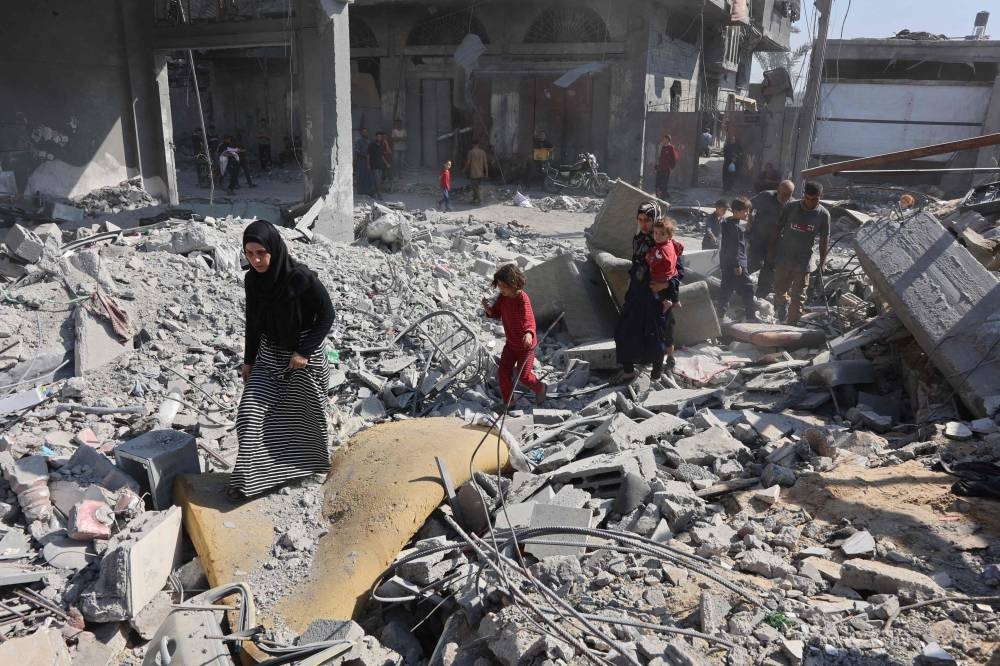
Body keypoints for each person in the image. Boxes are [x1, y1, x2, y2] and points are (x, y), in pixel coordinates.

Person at [229, 220, 335, 500]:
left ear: (274, 249)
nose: (256, 260)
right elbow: (253, 322)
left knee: (303, 417)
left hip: (302, 359)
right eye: (249, 254)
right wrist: (248, 360)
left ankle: (303, 468)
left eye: (261, 253)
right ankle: (250, 482)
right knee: (249, 415)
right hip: (269, 356)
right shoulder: (252, 280)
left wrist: (304, 352)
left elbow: (327, 315)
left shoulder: (301, 278)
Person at [614, 202, 685, 383]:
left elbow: (678, 271)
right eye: (640, 220)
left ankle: (656, 374)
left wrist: (667, 285)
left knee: (655, 336)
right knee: (624, 331)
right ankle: (629, 370)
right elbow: (636, 263)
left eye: (647, 220)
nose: (644, 224)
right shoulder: (639, 239)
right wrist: (631, 278)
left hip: (654, 298)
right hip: (637, 295)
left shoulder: (666, 243)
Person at [482, 264, 546, 408]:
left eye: (504, 286)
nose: (501, 289)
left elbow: (529, 318)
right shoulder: (503, 298)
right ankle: (509, 402)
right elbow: (497, 313)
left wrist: (529, 334)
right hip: (511, 345)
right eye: (499, 286)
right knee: (503, 372)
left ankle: (540, 388)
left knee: (523, 376)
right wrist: (488, 310)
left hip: (526, 346)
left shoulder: (522, 299)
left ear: (514, 284)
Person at [767, 181, 831, 325]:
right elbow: (777, 229)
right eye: (807, 198)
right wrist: (771, 250)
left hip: (803, 261)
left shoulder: (823, 215)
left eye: (814, 199)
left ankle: (792, 324)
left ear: (821, 196)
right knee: (779, 289)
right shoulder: (790, 207)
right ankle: (783, 304)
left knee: (798, 296)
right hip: (784, 257)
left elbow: (824, 239)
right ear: (803, 195)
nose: (809, 202)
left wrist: (823, 261)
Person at [645, 217, 684, 379]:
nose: (657, 236)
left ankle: (666, 363)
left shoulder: (666, 249)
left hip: (662, 292)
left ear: (669, 235)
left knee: (666, 331)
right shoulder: (656, 246)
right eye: (655, 233)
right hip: (655, 297)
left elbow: (678, 273)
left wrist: (665, 285)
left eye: (661, 234)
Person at [749, 180, 795, 297]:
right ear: (778, 191)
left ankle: (761, 295)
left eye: (789, 195)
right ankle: (736, 284)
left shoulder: (792, 204)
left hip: (775, 242)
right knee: (754, 263)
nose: (786, 198)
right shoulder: (766, 196)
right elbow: (748, 205)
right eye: (783, 194)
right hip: (758, 238)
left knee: (769, 268)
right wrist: (749, 221)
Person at [716, 197, 759, 323]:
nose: (747, 214)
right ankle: (751, 317)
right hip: (736, 264)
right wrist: (737, 265)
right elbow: (733, 248)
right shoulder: (734, 228)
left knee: (726, 288)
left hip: (727, 263)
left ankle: (719, 315)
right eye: (745, 211)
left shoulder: (728, 223)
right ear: (736, 211)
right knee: (747, 288)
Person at [655, 134, 679, 200]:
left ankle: (663, 198)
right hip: (660, 168)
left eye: (665, 139)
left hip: (666, 169)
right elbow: (658, 157)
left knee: (664, 183)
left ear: (668, 140)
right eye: (663, 139)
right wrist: (656, 166)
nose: (663, 140)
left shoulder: (670, 147)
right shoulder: (661, 147)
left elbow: (674, 158)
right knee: (658, 183)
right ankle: (662, 195)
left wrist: (672, 167)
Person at [465, 139, 489, 205]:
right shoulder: (482, 152)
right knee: (476, 187)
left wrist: (464, 169)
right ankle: (474, 199)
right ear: (478, 144)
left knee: (475, 188)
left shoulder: (471, 152)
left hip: (473, 173)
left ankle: (478, 200)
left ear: (473, 145)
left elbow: (468, 163)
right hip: (481, 173)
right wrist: (486, 173)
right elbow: (485, 163)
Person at [354, 127, 373, 196]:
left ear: (368, 133)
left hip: (368, 162)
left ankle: (367, 191)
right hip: (361, 161)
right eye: (363, 132)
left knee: (368, 176)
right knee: (360, 176)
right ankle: (360, 191)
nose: (365, 133)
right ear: (362, 133)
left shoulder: (370, 142)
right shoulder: (359, 141)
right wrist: (364, 155)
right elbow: (357, 151)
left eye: (366, 132)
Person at [368, 131, 388, 199]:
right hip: (374, 165)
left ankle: (373, 193)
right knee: (377, 180)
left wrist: (386, 163)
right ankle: (379, 195)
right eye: (378, 136)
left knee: (378, 180)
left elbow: (382, 156)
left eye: (380, 137)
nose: (379, 138)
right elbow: (368, 155)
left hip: (380, 165)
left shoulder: (381, 145)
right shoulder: (372, 145)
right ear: (375, 137)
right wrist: (368, 164)